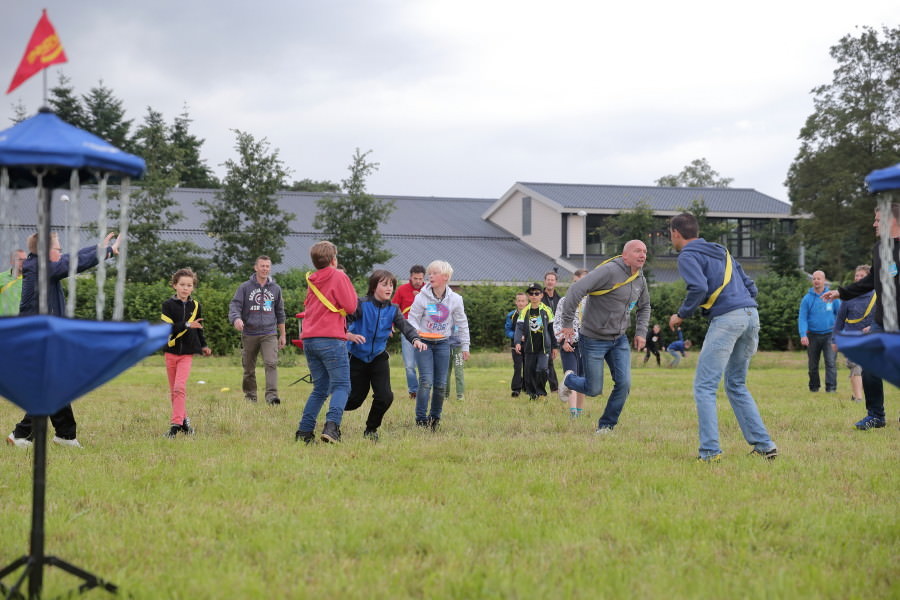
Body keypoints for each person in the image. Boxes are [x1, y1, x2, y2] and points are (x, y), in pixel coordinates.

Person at [667, 213, 777, 462]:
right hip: (751, 315)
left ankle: (709, 452)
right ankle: (764, 445)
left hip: (727, 319)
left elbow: (698, 288)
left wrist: (681, 315)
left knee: (704, 387)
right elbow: (752, 287)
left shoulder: (687, 255)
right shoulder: (721, 251)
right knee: (736, 384)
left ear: (676, 233)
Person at [7, 231, 120, 449]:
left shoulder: (42, 267)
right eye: (57, 248)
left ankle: (64, 436)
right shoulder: (41, 268)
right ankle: (23, 434)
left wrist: (97, 248)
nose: (61, 251)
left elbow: (71, 257)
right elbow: (70, 263)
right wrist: (105, 252)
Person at [557, 240, 650, 433]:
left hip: (619, 340)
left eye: (645, 252)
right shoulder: (608, 271)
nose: (642, 255)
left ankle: (606, 426)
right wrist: (567, 323)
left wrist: (641, 332)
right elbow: (576, 290)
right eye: (637, 251)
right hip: (593, 338)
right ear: (625, 256)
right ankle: (569, 380)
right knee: (593, 389)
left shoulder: (640, 278)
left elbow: (644, 307)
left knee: (624, 384)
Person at [824, 203, 900, 430]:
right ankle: (876, 415)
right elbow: (871, 281)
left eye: (878, 220)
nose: (874, 224)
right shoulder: (880, 248)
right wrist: (842, 292)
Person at [344, 270, 426, 441]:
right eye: (384, 284)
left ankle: (371, 430)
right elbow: (342, 324)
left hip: (378, 357)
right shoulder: (360, 304)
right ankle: (332, 415)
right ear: (374, 286)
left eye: (391, 285)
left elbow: (406, 326)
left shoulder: (393, 309)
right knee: (354, 400)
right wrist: (349, 336)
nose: (389, 288)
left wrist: (415, 340)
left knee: (385, 397)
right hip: (357, 357)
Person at [296, 241, 358, 443]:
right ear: (333, 259)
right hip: (330, 339)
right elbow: (350, 306)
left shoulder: (312, 279)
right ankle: (332, 428)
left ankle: (304, 432)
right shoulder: (338, 275)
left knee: (320, 388)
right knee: (341, 386)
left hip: (310, 339)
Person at [407, 260, 470, 430]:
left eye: (434, 273)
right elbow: (412, 318)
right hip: (424, 344)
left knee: (441, 384)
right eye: (430, 273)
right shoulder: (421, 297)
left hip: (443, 344)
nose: (430, 276)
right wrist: (416, 337)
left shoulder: (456, 299)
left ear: (445, 277)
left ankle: (434, 419)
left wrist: (465, 346)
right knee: (426, 381)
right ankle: (421, 419)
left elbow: (462, 323)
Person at [160, 268, 212, 438]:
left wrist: (203, 346)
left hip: (186, 354)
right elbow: (168, 328)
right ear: (175, 285)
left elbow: (199, 330)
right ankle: (184, 421)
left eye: (189, 285)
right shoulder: (167, 306)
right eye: (182, 285)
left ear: (193, 287)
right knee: (174, 391)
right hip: (171, 352)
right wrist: (187, 325)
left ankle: (175, 425)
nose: (185, 288)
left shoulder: (196, 306)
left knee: (179, 387)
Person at [228, 256, 287, 405]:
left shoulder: (275, 289)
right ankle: (250, 397)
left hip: (269, 333)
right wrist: (236, 319)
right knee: (248, 368)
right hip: (249, 333)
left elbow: (280, 313)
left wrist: (283, 334)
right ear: (256, 267)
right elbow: (235, 306)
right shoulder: (245, 287)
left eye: (267, 266)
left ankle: (272, 397)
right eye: (262, 266)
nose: (265, 269)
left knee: (271, 363)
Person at [831, 265, 874, 403]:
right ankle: (859, 398)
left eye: (862, 276)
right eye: (857, 276)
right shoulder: (848, 298)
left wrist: (872, 327)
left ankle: (858, 394)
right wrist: (834, 340)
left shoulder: (876, 297)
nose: (858, 278)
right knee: (855, 364)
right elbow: (839, 321)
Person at [798, 270, 840, 393]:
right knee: (812, 365)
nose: (816, 281)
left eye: (819, 279)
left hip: (829, 335)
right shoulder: (807, 299)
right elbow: (802, 318)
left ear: (824, 280)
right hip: (812, 335)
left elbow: (840, 314)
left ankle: (831, 388)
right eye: (814, 279)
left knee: (831, 362)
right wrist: (803, 334)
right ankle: (814, 387)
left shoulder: (832, 296)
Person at [553, 269, 588, 416]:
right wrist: (562, 342)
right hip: (569, 344)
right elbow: (557, 323)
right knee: (571, 375)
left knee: (583, 379)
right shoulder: (564, 301)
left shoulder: (593, 302)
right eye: (575, 282)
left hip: (587, 345)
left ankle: (579, 411)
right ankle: (573, 412)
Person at [515, 283, 558, 400]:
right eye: (531, 293)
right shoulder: (524, 311)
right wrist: (517, 342)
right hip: (529, 347)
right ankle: (532, 394)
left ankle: (541, 392)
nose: (534, 296)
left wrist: (555, 346)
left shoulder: (547, 310)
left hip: (544, 347)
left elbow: (552, 329)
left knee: (542, 369)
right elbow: (519, 327)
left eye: (536, 293)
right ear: (528, 296)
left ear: (541, 295)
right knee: (529, 372)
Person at [392, 265, 426, 400]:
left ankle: (424, 391)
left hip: (425, 333)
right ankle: (413, 391)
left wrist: (421, 298)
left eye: (420, 278)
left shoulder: (428, 290)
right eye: (415, 278)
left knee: (424, 365)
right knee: (410, 365)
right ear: (410, 277)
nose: (418, 281)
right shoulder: (401, 290)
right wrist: (390, 325)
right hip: (407, 332)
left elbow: (435, 312)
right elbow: (393, 309)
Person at [504, 292, 528, 397]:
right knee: (518, 367)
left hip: (529, 346)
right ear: (515, 302)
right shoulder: (511, 315)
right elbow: (507, 331)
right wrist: (517, 337)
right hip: (515, 346)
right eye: (519, 301)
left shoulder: (532, 314)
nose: (521, 303)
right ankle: (516, 389)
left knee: (528, 367)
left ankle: (527, 387)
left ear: (527, 302)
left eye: (523, 301)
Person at [541, 270, 561, 392]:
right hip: (542, 334)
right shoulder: (539, 297)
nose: (550, 282)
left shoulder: (560, 299)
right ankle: (553, 388)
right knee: (546, 362)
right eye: (548, 279)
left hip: (555, 334)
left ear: (555, 282)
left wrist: (556, 345)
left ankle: (550, 388)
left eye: (552, 280)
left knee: (547, 362)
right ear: (545, 281)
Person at [0, 249, 26, 316]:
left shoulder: (29, 280)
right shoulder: (1, 277)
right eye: (20, 260)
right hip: (3, 321)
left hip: (20, 321)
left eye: (25, 260)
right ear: (12, 261)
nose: (23, 262)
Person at [446, 324, 465, 401]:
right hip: (445, 346)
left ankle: (460, 394)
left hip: (458, 346)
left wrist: (465, 346)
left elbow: (464, 329)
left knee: (459, 372)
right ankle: (445, 395)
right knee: (446, 372)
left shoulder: (460, 315)